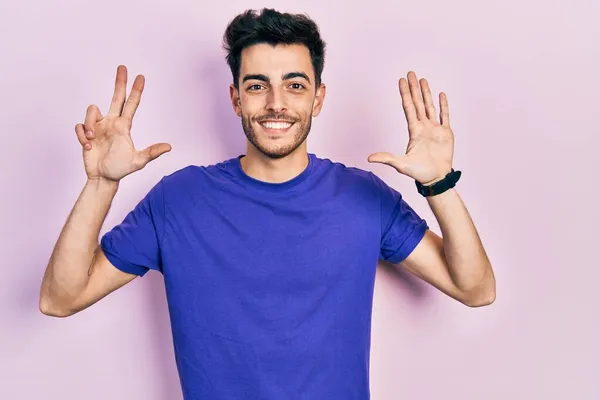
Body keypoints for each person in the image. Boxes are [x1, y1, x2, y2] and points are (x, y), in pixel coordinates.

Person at [39, 8, 496, 400]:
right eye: (257, 86)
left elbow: (475, 288)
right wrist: (100, 183)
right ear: (236, 98)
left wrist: (439, 184)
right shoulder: (179, 201)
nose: (276, 103)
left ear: (318, 98)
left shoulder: (364, 197)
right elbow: (61, 298)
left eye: (295, 86)